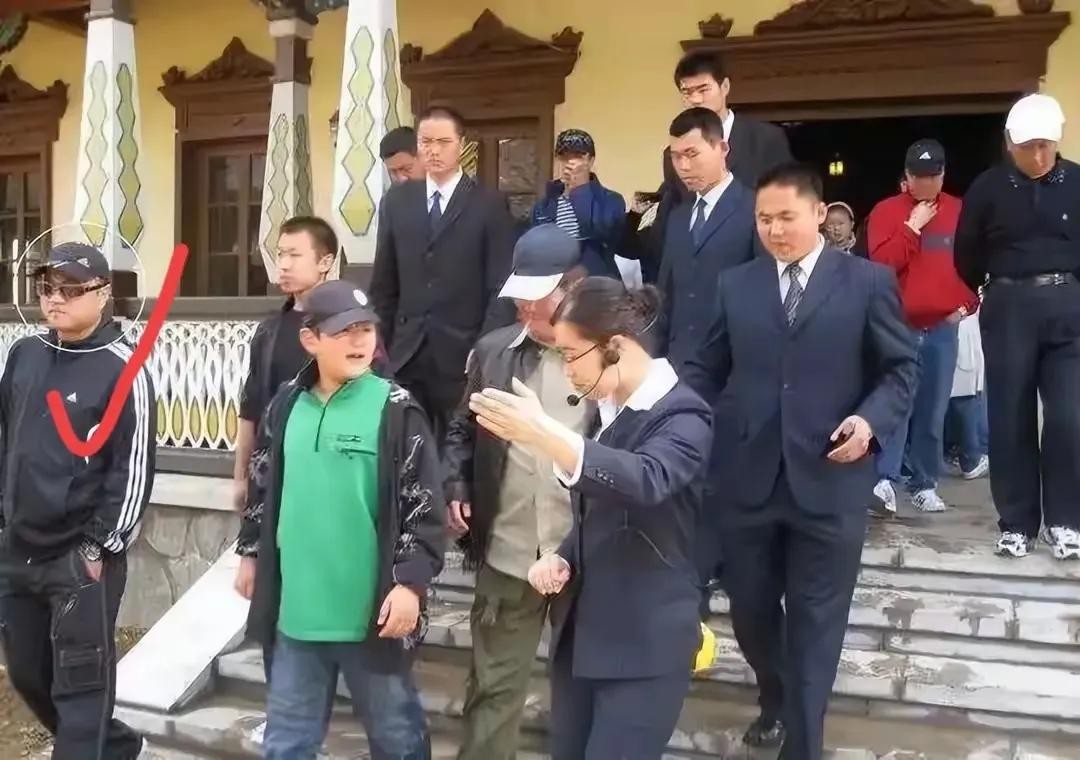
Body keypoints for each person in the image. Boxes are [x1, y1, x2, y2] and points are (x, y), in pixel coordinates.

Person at [685, 163, 917, 759]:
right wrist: (669, 421)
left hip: (832, 479)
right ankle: (775, 698)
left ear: (818, 213)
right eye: (764, 219)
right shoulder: (737, 285)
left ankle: (804, 744)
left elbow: (899, 369)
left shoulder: (867, 282)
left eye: (786, 217)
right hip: (749, 481)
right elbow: (705, 370)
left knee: (817, 623)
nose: (775, 230)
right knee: (752, 614)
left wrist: (870, 421)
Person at [468, 277, 712, 760]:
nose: (567, 370)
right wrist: (564, 555)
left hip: (644, 646)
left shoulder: (684, 414)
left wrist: (543, 433)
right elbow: (601, 509)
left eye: (571, 355)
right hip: (585, 637)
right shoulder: (609, 407)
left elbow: (646, 480)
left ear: (614, 346)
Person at [234, 279, 446, 759]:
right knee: (286, 745)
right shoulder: (286, 404)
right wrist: (250, 554)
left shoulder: (396, 409)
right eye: (344, 331)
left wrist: (410, 585)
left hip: (371, 616)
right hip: (297, 615)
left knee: (398, 741)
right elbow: (262, 485)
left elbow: (424, 507)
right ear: (310, 339)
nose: (359, 341)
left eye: (366, 329)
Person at [0, 242, 155, 760]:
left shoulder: (123, 370)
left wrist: (98, 547)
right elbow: (6, 436)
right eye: (46, 288)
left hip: (81, 558)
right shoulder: (24, 355)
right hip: (19, 550)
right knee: (28, 673)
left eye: (70, 290)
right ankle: (118, 747)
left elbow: (132, 470)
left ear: (103, 294)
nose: (55, 299)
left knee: (81, 688)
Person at [443, 224, 590, 760]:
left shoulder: (611, 355)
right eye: (520, 294)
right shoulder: (494, 352)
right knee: (493, 686)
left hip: (585, 554)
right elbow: (462, 429)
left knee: (586, 690)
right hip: (509, 550)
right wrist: (457, 483)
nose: (526, 306)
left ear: (573, 287)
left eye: (539, 294)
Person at [955, 92, 1080, 560]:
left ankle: (1066, 520)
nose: (1038, 155)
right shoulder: (988, 187)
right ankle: (1017, 523)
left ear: (1057, 140)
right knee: (1010, 416)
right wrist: (995, 289)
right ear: (1010, 143)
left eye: (1045, 145)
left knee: (1070, 416)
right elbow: (966, 253)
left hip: (1068, 306)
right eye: (1028, 146)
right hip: (1008, 306)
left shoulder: (1077, 182)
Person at [370, 105, 517, 445]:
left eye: (443, 142)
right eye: (426, 142)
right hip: (406, 354)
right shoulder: (397, 201)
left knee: (457, 451)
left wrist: (485, 350)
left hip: (463, 355)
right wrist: (381, 348)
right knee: (404, 449)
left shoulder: (488, 204)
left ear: (461, 144)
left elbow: (501, 287)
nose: (434, 151)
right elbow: (384, 285)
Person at [661, 106, 758, 604]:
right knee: (684, 476)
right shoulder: (679, 217)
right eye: (676, 156)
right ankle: (690, 576)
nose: (684, 165)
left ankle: (719, 570)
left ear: (723, 149)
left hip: (735, 374)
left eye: (693, 154)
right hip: (679, 372)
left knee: (725, 477)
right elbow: (666, 295)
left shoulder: (754, 210)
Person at [867, 140, 979, 515]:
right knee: (894, 405)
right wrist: (911, 228)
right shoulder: (887, 211)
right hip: (897, 327)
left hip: (941, 328)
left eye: (933, 176)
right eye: (918, 176)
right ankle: (884, 480)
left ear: (943, 174)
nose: (926, 183)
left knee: (933, 410)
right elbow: (880, 266)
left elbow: (975, 264)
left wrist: (967, 305)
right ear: (907, 175)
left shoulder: (960, 211)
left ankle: (924, 483)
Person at [621, 49, 792, 283]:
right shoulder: (673, 156)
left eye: (703, 90)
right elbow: (669, 226)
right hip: (694, 280)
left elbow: (786, 207)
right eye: (687, 92)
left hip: (751, 273)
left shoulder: (766, 140)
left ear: (725, 87)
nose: (695, 100)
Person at [233, 216, 337, 518]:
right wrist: (241, 476)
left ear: (325, 262)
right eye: (280, 254)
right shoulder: (269, 331)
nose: (284, 264)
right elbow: (251, 408)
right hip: (271, 474)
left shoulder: (346, 329)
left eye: (295, 255)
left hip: (327, 475)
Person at [530, 129, 625, 279]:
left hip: (595, 285)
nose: (570, 163)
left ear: (591, 161)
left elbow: (608, 237)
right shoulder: (544, 206)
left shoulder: (611, 200)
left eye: (578, 156)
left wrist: (581, 190)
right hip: (555, 284)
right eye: (564, 157)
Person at [945, 312, 989, 480]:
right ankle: (972, 460)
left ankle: (972, 452)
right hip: (960, 326)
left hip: (960, 326)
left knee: (969, 393)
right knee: (965, 395)